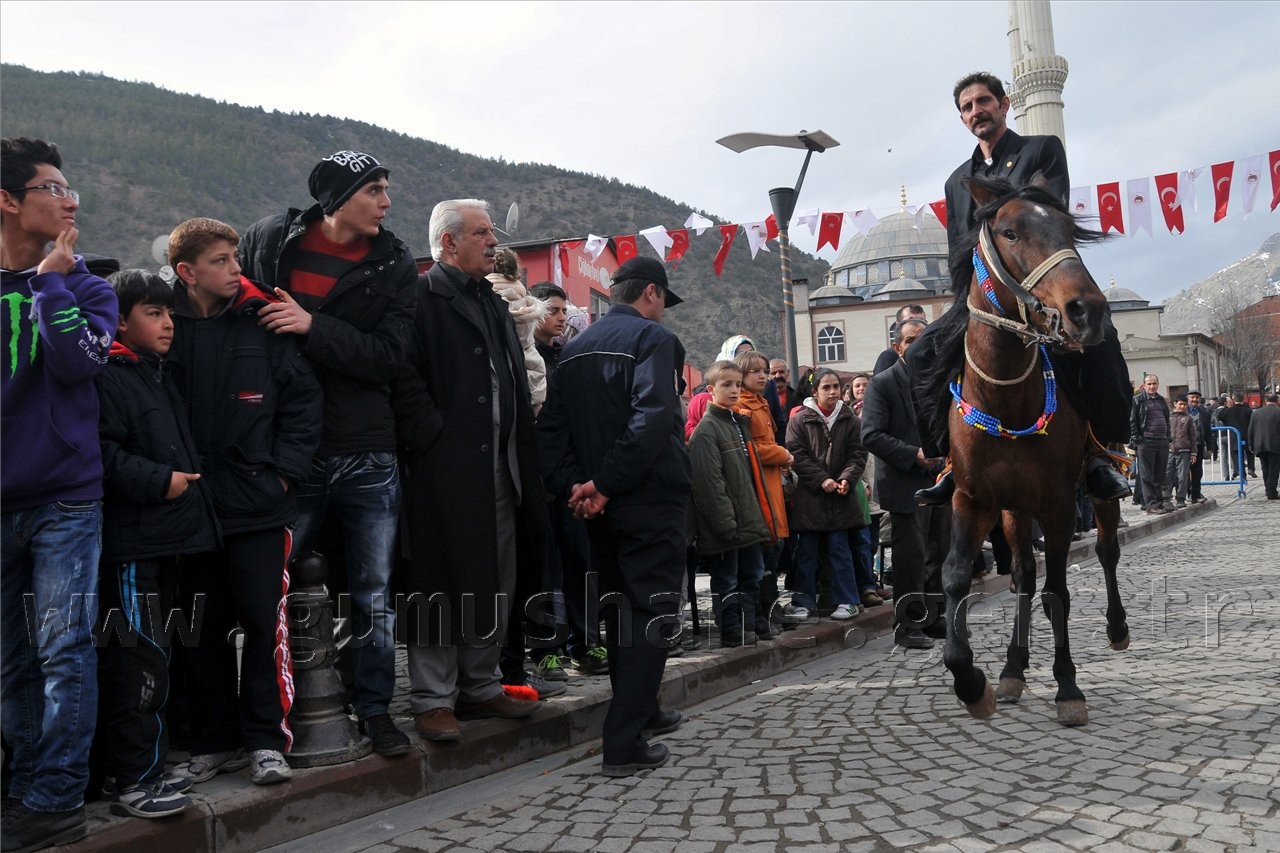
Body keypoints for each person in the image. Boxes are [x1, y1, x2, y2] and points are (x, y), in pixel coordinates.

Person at [238, 150, 418, 758]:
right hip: (290, 446)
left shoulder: (394, 262)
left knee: (374, 592)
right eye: (375, 190)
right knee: (272, 586)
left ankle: (375, 709)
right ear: (337, 199)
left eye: (386, 188)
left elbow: (389, 357)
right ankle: (271, 720)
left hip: (367, 447)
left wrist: (312, 326)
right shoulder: (270, 240)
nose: (387, 202)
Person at [916, 70, 1131, 506]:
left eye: (983, 101)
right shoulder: (957, 180)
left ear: (1004, 104)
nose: (976, 111)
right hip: (986, 295)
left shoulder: (1041, 150)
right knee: (920, 353)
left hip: (1044, 280)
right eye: (967, 107)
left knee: (1100, 343)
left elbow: (1050, 215)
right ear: (962, 118)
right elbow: (959, 250)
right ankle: (947, 458)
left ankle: (1101, 451)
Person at [166, 217, 322, 786]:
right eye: (221, 260)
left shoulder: (263, 321)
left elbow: (303, 403)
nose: (236, 269)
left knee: (264, 625)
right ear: (187, 272)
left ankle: (265, 742)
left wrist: (283, 475)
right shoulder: (163, 328)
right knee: (199, 629)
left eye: (236, 257)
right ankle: (214, 742)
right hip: (190, 509)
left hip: (259, 504)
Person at [1, 136, 118, 851]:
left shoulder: (88, 288)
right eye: (53, 188)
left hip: (67, 499)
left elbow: (78, 364)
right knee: (11, 661)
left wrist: (49, 284)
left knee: (64, 650)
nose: (70, 201)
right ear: (8, 200)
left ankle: (56, 799)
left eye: (71, 188)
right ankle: (22, 791)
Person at [396, 199, 545, 743]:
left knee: (494, 574)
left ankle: (481, 684)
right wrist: (434, 437)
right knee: (439, 578)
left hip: (501, 466)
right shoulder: (419, 298)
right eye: (481, 233)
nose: (492, 241)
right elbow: (403, 378)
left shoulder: (492, 302)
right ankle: (433, 698)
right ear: (448, 242)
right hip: (444, 467)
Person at [537, 255, 689, 778]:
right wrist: (603, 484)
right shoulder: (653, 339)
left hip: (599, 505)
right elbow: (653, 419)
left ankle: (644, 708)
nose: (663, 310)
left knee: (621, 610)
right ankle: (623, 741)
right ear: (650, 293)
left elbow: (551, 432)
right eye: (663, 301)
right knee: (652, 612)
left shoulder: (573, 349)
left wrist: (578, 487)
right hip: (648, 498)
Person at [94, 269, 220, 818]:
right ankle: (133, 780)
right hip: (133, 545)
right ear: (119, 321)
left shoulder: (152, 372)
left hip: (164, 539)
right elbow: (101, 454)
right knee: (137, 661)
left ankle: (144, 766)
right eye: (153, 313)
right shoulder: (108, 375)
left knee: (157, 656)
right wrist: (158, 481)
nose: (168, 323)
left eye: (169, 312)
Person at [526, 282, 608, 679]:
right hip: (535, 480)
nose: (561, 318)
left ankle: (586, 643)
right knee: (545, 569)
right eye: (553, 310)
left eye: (563, 311)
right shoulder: (523, 357)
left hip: (572, 478)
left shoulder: (568, 358)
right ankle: (546, 649)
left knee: (582, 563)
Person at [861, 318, 950, 649]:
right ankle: (908, 625)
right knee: (911, 558)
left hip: (939, 480)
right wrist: (914, 455)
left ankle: (935, 617)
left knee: (939, 552)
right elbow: (870, 435)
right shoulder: (882, 383)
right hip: (905, 483)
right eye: (911, 340)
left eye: (924, 339)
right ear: (897, 347)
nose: (918, 345)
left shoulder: (937, 381)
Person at [690, 360, 772, 646]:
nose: (735, 390)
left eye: (737, 384)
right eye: (727, 384)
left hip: (747, 520)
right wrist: (726, 524)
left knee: (751, 575)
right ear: (711, 389)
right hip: (727, 525)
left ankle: (749, 623)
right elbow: (709, 484)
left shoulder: (738, 424)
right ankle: (731, 629)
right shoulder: (706, 430)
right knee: (727, 580)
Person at [785, 368, 870, 622]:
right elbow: (797, 455)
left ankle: (847, 600)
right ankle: (803, 602)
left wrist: (846, 478)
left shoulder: (851, 420)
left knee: (840, 551)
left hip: (841, 497)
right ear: (815, 391)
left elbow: (858, 454)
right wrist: (822, 479)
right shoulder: (799, 420)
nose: (832, 392)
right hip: (811, 497)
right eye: (826, 387)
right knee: (806, 553)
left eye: (835, 387)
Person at [733, 351, 793, 637]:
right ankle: (757, 613)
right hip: (758, 488)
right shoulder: (741, 407)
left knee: (773, 550)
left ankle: (769, 607)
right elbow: (750, 448)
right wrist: (782, 454)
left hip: (772, 485)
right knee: (760, 554)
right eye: (755, 371)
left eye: (764, 371)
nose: (762, 376)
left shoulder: (763, 403)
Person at [488, 247, 548, 415]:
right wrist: (537, 401)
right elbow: (533, 363)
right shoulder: (525, 300)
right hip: (526, 368)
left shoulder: (484, 296)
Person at [1130, 374, 1172, 515]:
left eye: (1154, 383)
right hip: (1146, 442)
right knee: (1147, 475)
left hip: (1162, 441)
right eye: (1149, 384)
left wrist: (1168, 437)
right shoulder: (1138, 400)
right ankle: (1151, 504)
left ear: (1158, 384)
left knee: (1159, 474)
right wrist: (1137, 439)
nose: (1152, 386)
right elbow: (1132, 421)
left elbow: (1166, 419)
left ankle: (1159, 503)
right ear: (1144, 385)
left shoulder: (1161, 400)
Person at [872, 305, 926, 375]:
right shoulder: (888, 356)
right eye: (911, 321)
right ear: (898, 325)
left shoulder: (932, 352)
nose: (917, 325)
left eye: (922, 321)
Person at [1166, 394, 1198, 509]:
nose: (1182, 406)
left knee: (1182, 477)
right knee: (1167, 475)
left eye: (1185, 404)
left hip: (1184, 451)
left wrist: (1193, 452)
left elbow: (1193, 437)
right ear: (1175, 404)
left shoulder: (1189, 419)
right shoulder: (1168, 417)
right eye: (1180, 404)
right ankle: (1166, 498)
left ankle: (1180, 498)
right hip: (1169, 451)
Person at [1247, 393, 1280, 500]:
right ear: (1277, 401)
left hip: (1260, 445)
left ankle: (1268, 489)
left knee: (1265, 468)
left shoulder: (1256, 413)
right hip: (1275, 445)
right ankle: (1271, 492)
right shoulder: (1278, 412)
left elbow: (1251, 430)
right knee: (1274, 469)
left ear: (1266, 401)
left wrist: (1251, 445)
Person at [1217, 393, 1253, 479]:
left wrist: (1224, 407)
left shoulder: (1229, 410)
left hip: (1234, 435)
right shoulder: (1248, 410)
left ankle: (1242, 474)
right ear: (1243, 399)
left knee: (1237, 456)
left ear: (1234, 400)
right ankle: (1251, 468)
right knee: (1249, 452)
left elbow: (1220, 417)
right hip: (1246, 435)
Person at [1187, 390, 1212, 503]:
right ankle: (1186, 493)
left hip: (1198, 446)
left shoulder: (1204, 412)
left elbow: (1208, 431)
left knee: (1197, 472)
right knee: (1184, 472)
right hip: (1185, 446)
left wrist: (1210, 448)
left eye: (1197, 397)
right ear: (1188, 398)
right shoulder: (1183, 410)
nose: (1194, 400)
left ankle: (1196, 494)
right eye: (1192, 397)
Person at [769, 359, 796, 442]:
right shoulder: (762, 400)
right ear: (768, 375)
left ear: (788, 373)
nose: (778, 376)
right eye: (773, 373)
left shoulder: (798, 398)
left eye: (781, 372)